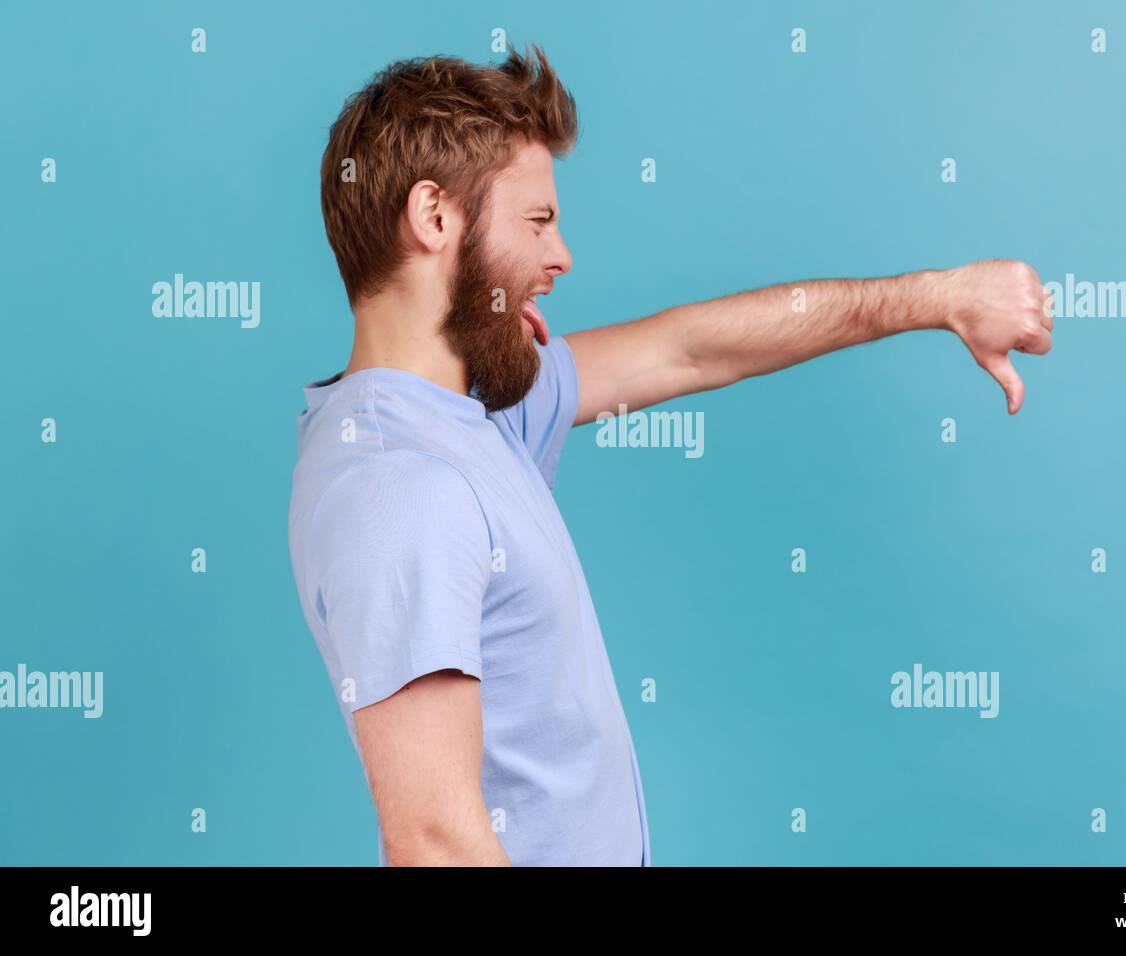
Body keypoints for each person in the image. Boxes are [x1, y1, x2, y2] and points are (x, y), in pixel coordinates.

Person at [287, 43, 1054, 867]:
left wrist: (937, 299)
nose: (562, 256)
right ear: (435, 217)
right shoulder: (402, 484)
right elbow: (434, 842)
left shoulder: (474, 415)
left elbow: (688, 350)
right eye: (538, 221)